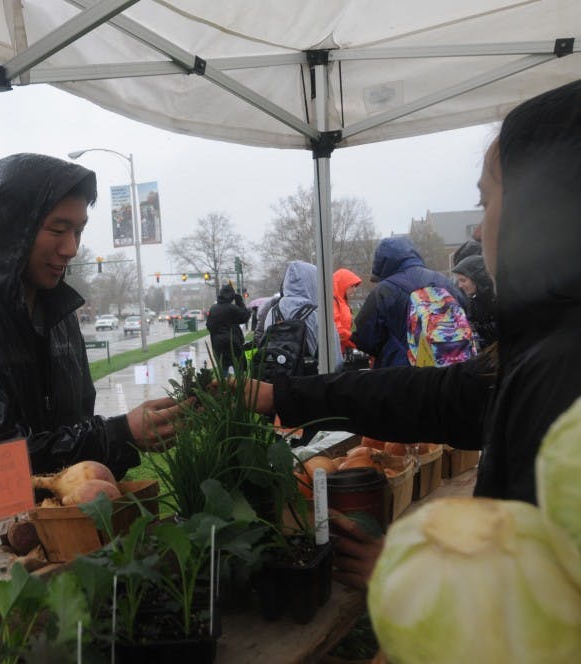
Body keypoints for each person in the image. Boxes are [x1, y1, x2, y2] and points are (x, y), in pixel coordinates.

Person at [245, 78, 581, 588]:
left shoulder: (562, 372)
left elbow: (534, 603)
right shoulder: (547, 346)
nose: (476, 229)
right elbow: (441, 396)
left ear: (542, 209)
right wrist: (282, 395)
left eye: (487, 201)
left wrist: (408, 578)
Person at [0, 153, 183, 551]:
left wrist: (126, 440)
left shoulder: (61, 316)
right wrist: (120, 434)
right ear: (12, 229)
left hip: (64, 530)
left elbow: (74, 426)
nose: (71, 248)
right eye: (58, 229)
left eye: (78, 230)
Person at [353, 236, 474, 368]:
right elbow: (466, 314)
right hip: (448, 371)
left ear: (381, 262)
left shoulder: (384, 290)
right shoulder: (445, 282)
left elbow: (364, 338)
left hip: (402, 373)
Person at [258, 260, 342, 373]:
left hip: (279, 381)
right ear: (313, 282)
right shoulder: (318, 315)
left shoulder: (272, 312)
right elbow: (335, 362)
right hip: (311, 382)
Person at [451, 254, 498, 349]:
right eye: (458, 281)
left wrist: (474, 327)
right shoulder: (474, 301)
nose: (460, 286)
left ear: (478, 279)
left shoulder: (499, 298)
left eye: (463, 280)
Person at [207, 282, 250, 374]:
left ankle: (224, 386)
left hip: (218, 344)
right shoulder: (232, 308)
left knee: (223, 369)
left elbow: (209, 326)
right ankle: (239, 386)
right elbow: (245, 316)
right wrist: (240, 302)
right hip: (233, 342)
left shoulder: (213, 308)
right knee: (239, 368)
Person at [332, 268, 361, 355]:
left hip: (341, 350)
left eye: (355, 287)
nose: (354, 290)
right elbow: (337, 330)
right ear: (342, 284)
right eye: (352, 286)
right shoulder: (333, 301)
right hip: (334, 352)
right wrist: (355, 340)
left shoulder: (342, 302)